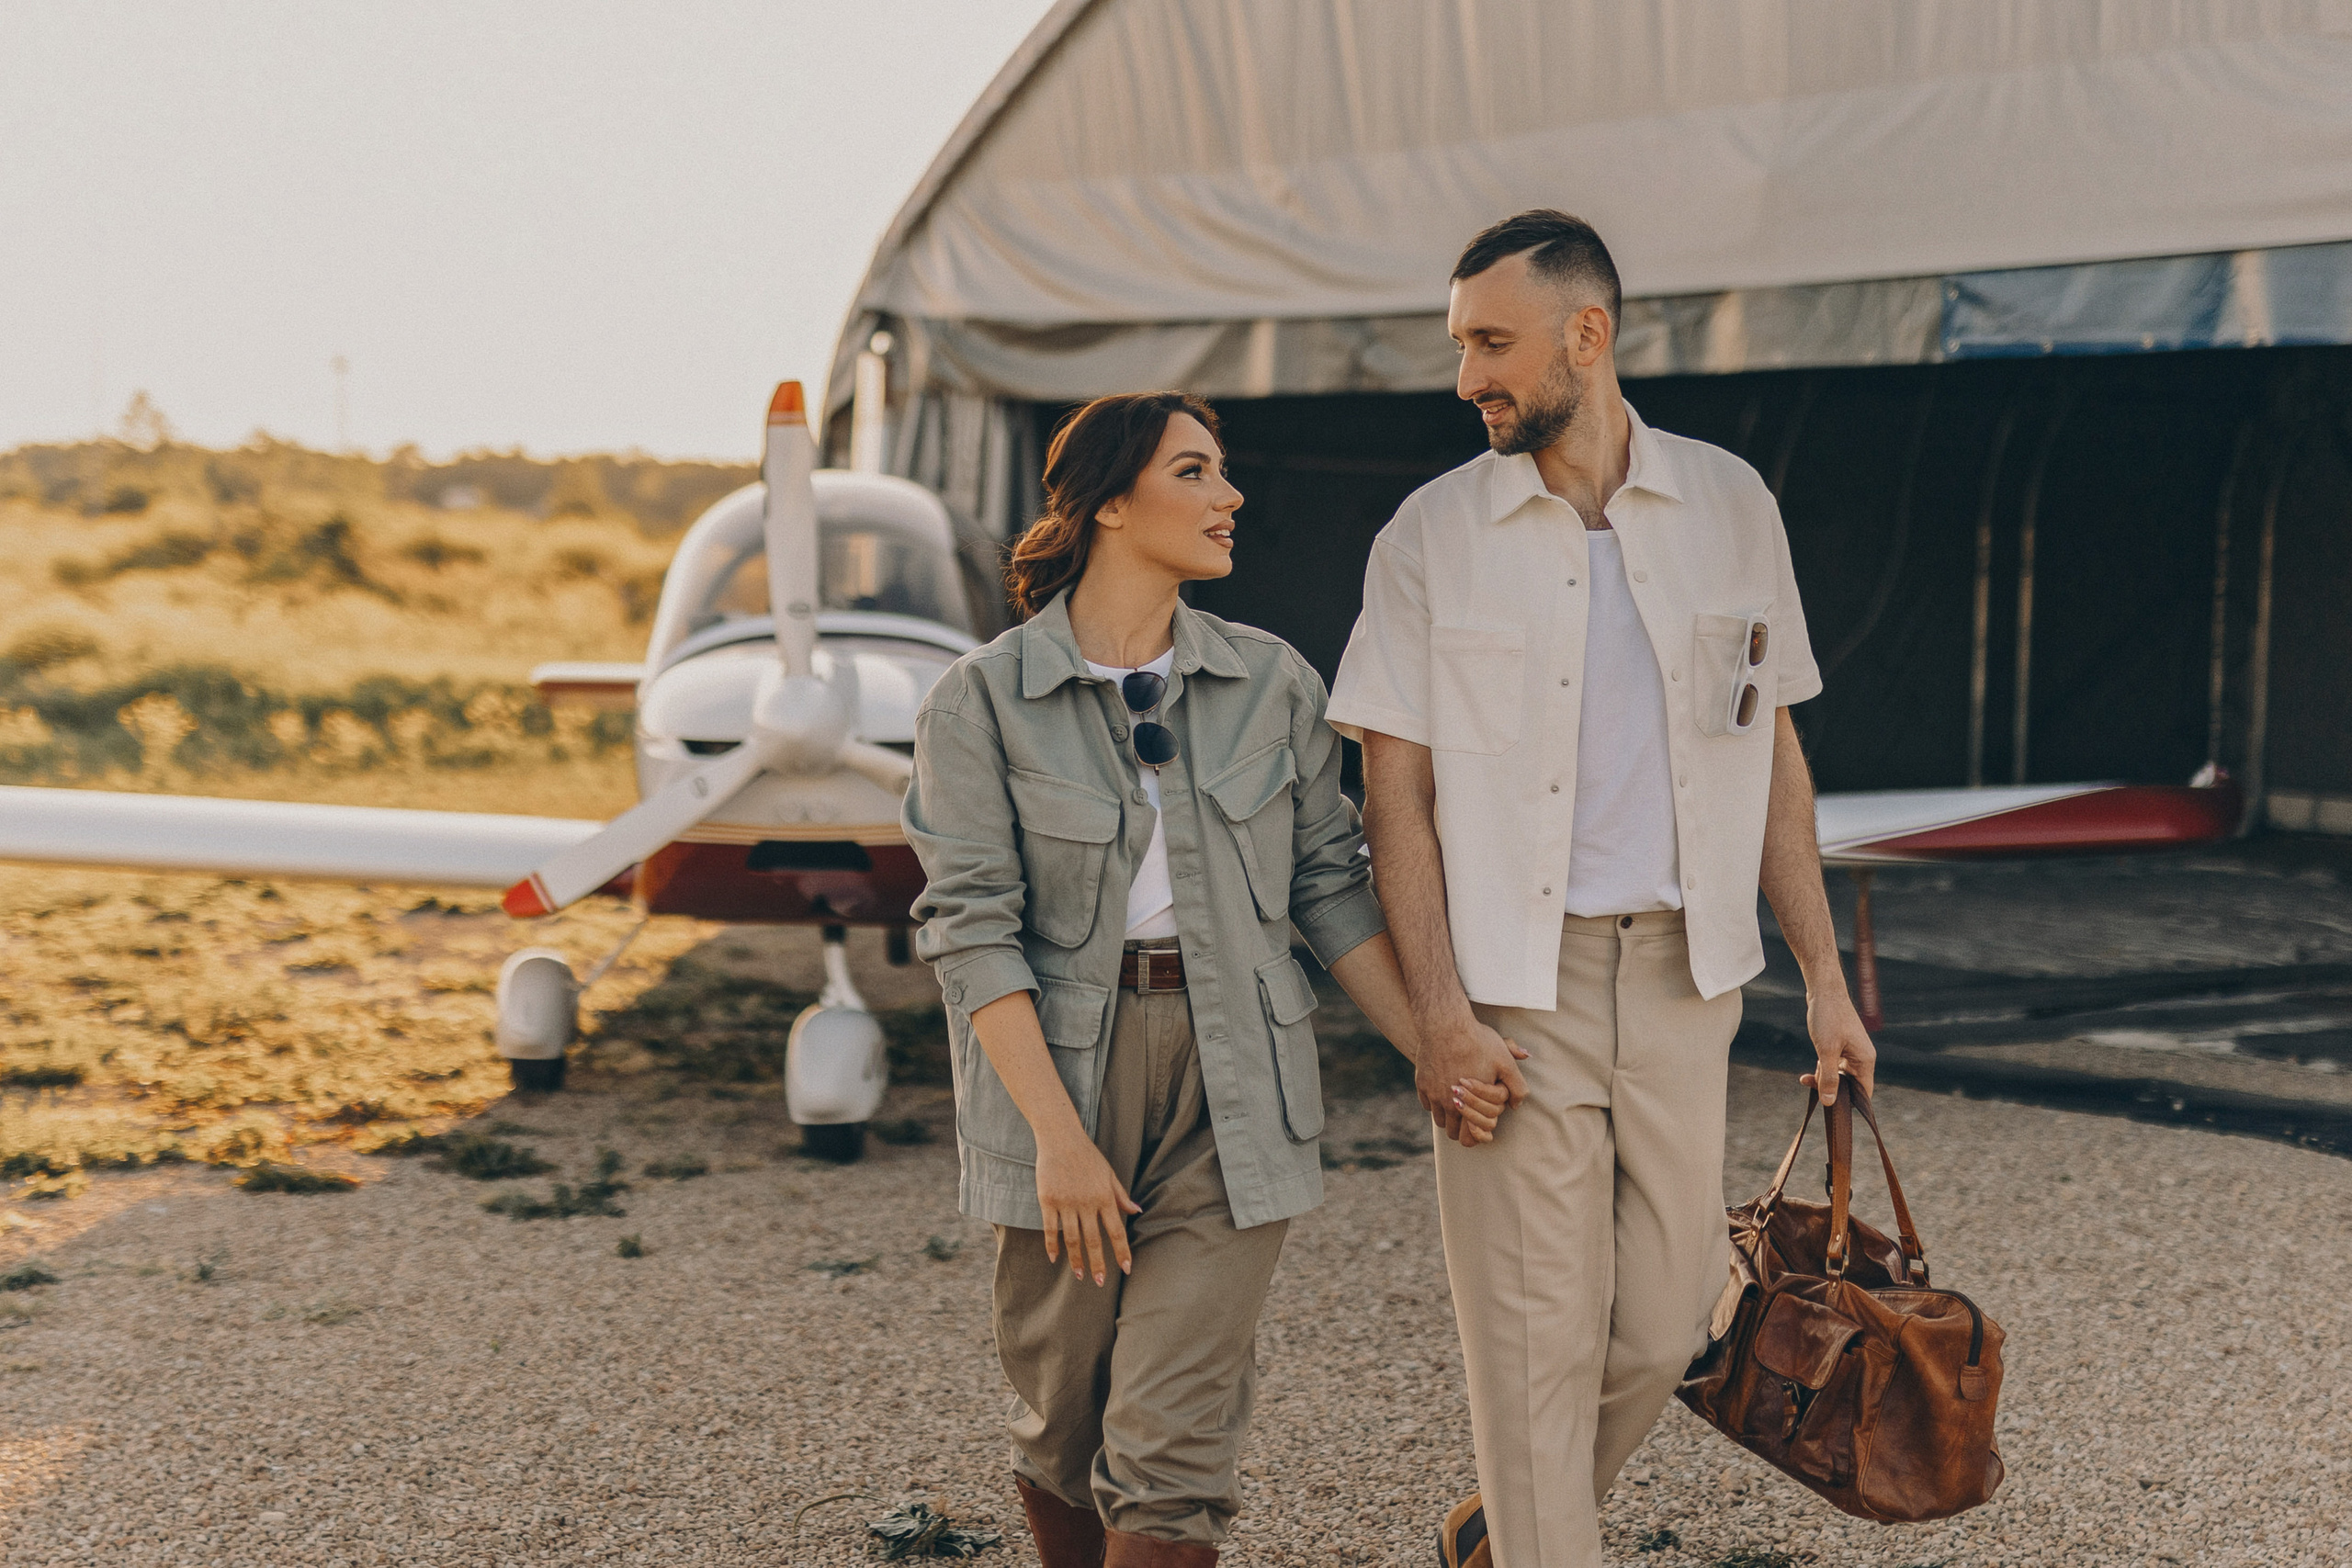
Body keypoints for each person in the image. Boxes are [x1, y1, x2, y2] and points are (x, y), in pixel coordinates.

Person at [1326, 210, 1880, 1568]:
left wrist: (1823, 980)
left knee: (1664, 1325)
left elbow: (1775, 755)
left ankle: (1508, 1526)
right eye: (1460, 346)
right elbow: (1391, 794)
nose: (1468, 378)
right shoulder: (1428, 534)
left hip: (1689, 980)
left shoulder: (1733, 504)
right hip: (1517, 987)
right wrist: (1438, 1015)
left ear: (1591, 335)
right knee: (1532, 1343)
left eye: (1493, 344)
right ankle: (1537, 1535)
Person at [902, 391, 1506, 1568]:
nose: (1230, 496)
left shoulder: (1272, 682)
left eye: (1222, 471)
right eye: (1196, 472)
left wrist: (1433, 1040)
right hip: (1057, 1085)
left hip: (1242, 1075)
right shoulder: (977, 702)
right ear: (1111, 506)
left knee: (1170, 1449)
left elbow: (1330, 889)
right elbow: (973, 934)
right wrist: (1060, 1141)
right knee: (1060, 1424)